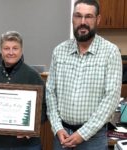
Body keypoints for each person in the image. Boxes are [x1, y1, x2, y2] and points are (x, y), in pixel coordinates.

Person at [46, 0, 122, 150]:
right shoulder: (59, 51)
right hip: (62, 137)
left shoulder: (110, 52)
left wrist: (83, 134)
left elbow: (111, 99)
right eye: (78, 16)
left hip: (94, 139)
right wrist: (57, 128)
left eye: (88, 17)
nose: (82, 22)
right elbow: (50, 93)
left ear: (98, 19)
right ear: (72, 18)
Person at [0, 31, 47, 150]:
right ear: (1, 50)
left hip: (26, 145)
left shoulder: (33, 76)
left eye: (15, 48)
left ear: (21, 50)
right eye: (6, 48)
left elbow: (45, 108)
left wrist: (30, 128)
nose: (10, 52)